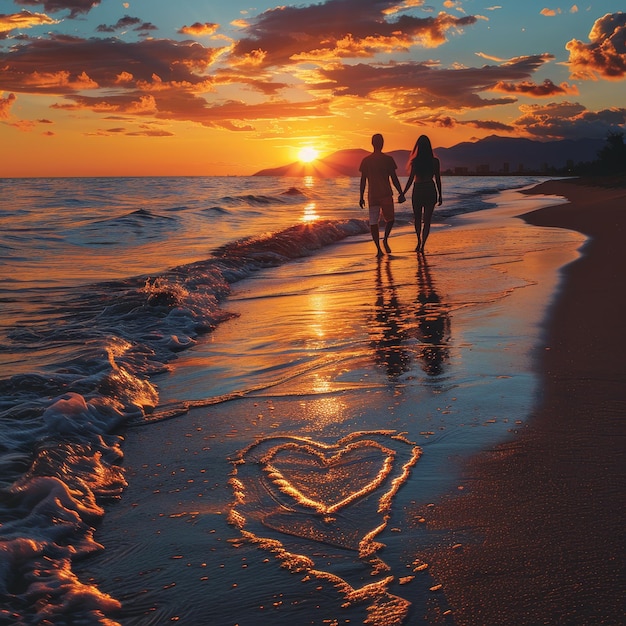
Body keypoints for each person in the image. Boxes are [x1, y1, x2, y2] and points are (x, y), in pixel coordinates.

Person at [359, 133, 404, 256]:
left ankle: (379, 247)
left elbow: (363, 180)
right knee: (390, 220)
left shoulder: (367, 161)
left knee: (375, 222)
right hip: (385, 195)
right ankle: (383, 241)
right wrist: (401, 192)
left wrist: (361, 196)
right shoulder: (387, 160)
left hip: (374, 195)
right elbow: (394, 179)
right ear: (382, 144)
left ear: (372, 144)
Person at [400, 135, 442, 252]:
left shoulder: (415, 162)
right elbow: (438, 179)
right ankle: (423, 245)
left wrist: (403, 193)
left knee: (417, 218)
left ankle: (418, 241)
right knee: (427, 220)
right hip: (430, 188)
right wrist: (440, 195)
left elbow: (410, 179)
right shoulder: (434, 161)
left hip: (418, 189)